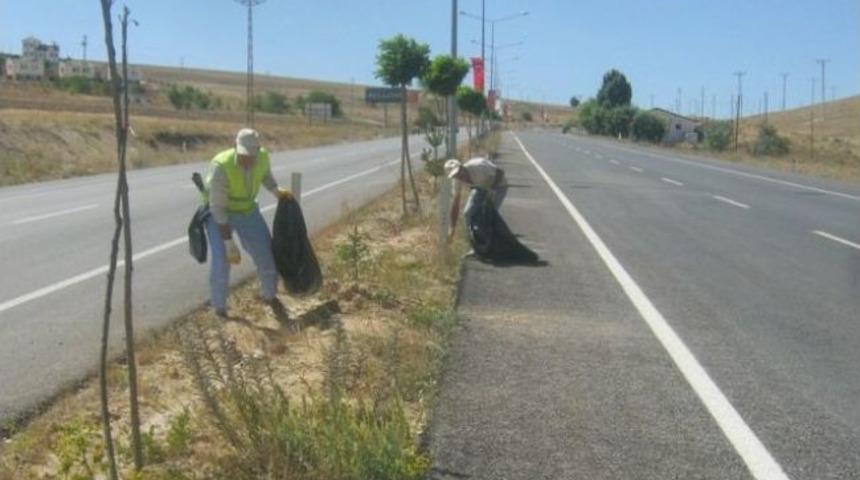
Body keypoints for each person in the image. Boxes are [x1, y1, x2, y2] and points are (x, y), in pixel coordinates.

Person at [203, 128, 292, 317]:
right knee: (222, 261)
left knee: (265, 253)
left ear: (258, 150)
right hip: (221, 215)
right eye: (244, 155)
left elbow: (265, 176)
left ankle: (269, 296)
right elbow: (217, 208)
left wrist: (276, 190)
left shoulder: (263, 157)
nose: (247, 160)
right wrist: (228, 242)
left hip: (248, 211)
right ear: (235, 146)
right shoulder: (221, 166)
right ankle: (219, 308)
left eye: (252, 155)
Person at [445, 157, 508, 243]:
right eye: (455, 175)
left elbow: (500, 172)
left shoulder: (478, 165)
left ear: (462, 167)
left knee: (488, 212)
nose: (460, 177)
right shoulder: (457, 180)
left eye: (459, 172)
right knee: (468, 213)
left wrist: (492, 189)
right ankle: (473, 241)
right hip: (480, 187)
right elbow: (455, 204)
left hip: (498, 185)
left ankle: (490, 240)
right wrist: (452, 228)